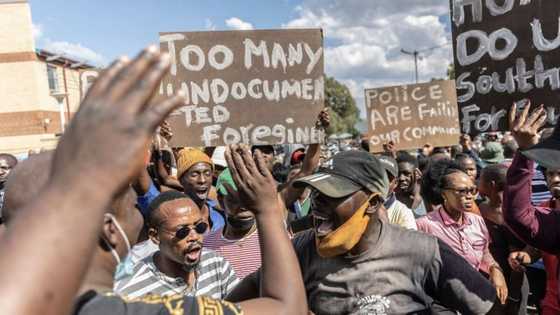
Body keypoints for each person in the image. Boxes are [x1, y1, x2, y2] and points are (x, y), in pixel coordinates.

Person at [0, 47, 307, 315]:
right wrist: (267, 208)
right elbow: (285, 308)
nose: (140, 206)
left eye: (200, 227)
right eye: (133, 204)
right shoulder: (131, 307)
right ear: (110, 231)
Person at [228, 150, 499, 315]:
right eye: (316, 193)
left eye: (332, 195)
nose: (318, 203)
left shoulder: (424, 251)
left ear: (371, 204)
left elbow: (489, 309)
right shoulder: (302, 249)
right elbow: (251, 293)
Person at [416, 159, 508, 306]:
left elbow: (484, 253)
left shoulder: (477, 221)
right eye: (462, 191)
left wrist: (495, 269)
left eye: (472, 190)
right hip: (440, 303)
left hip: (473, 299)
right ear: (444, 194)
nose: (470, 195)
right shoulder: (424, 226)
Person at [115, 191, 238, 299]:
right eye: (182, 232)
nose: (194, 237)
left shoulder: (216, 264)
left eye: (200, 227)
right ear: (155, 237)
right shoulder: (130, 291)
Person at [504, 102, 560, 302]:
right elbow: (519, 216)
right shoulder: (552, 214)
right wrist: (526, 152)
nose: (556, 178)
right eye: (552, 171)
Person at [478, 164, 534, 314]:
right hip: (491, 278)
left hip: (513, 281)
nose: (477, 182)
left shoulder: (509, 215)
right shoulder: (479, 208)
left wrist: (514, 297)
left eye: (480, 179)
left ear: (492, 185)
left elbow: (517, 263)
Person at [203, 168, 262, 279]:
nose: (243, 206)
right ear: (221, 201)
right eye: (235, 200)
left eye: (248, 198)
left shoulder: (275, 240)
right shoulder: (206, 245)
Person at [378, 155, 417, 230]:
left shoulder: (403, 213)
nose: (381, 181)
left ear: (395, 183)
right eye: (378, 176)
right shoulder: (359, 203)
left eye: (387, 178)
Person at [395, 151, 427, 218]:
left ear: (417, 173)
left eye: (406, 173)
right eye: (398, 174)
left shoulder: (427, 199)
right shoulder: (393, 199)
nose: (401, 178)